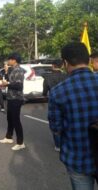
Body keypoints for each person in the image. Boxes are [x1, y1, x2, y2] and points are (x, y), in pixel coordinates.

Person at [48, 42, 98, 190]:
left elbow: (56, 128)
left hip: (78, 159)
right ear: (89, 61)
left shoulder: (58, 92)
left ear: (65, 63)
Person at [0, 53, 26, 151]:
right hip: (10, 97)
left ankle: (20, 142)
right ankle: (8, 137)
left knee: (16, 120)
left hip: (16, 98)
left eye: (9, 59)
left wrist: (7, 84)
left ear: (14, 60)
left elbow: (19, 86)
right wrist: (6, 74)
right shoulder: (13, 70)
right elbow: (8, 81)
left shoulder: (18, 70)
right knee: (9, 119)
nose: (8, 61)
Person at [42, 60, 67, 152]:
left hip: (54, 101)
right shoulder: (66, 75)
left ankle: (58, 145)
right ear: (62, 66)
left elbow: (44, 91)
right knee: (66, 120)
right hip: (66, 100)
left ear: (53, 65)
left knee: (55, 122)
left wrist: (44, 95)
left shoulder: (48, 77)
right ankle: (65, 142)